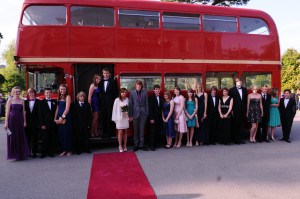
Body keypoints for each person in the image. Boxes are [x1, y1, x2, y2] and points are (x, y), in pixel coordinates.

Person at [4, 86, 30, 160]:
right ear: (13, 92)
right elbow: (7, 112)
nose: (17, 93)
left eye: (18, 91)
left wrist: (24, 121)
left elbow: (23, 112)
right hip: (11, 121)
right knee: (13, 137)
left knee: (20, 136)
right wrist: (6, 123)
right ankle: (14, 154)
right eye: (15, 91)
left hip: (20, 121)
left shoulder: (22, 100)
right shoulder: (10, 100)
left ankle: (21, 154)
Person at [129, 80, 149, 151]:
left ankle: (142, 145)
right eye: (137, 85)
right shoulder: (132, 93)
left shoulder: (145, 93)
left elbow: (147, 104)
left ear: (141, 86)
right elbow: (130, 104)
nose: (138, 86)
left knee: (142, 130)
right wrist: (130, 115)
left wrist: (147, 113)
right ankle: (136, 145)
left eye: (140, 85)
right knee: (136, 130)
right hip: (135, 114)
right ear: (135, 85)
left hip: (143, 114)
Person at [100, 68, 118, 139]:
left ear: (109, 74)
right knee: (103, 117)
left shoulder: (113, 81)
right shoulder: (101, 82)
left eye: (107, 73)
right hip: (103, 102)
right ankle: (104, 133)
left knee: (109, 117)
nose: (106, 74)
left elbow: (116, 93)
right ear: (103, 74)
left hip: (111, 102)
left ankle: (109, 133)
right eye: (104, 73)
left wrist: (115, 103)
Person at [55, 84, 72, 156]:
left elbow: (67, 108)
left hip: (66, 117)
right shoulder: (58, 97)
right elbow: (57, 108)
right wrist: (55, 118)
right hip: (59, 118)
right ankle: (64, 150)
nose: (62, 91)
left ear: (66, 90)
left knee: (67, 134)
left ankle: (69, 150)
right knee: (61, 134)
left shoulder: (68, 97)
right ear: (59, 90)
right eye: (61, 89)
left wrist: (62, 117)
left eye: (64, 89)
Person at [39, 88, 57, 158]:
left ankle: (51, 152)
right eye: (47, 92)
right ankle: (43, 153)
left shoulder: (54, 101)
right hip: (45, 124)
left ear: (51, 93)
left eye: (50, 92)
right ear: (44, 94)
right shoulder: (41, 102)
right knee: (44, 138)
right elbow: (40, 114)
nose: (48, 94)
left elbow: (56, 112)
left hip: (52, 123)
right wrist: (42, 124)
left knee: (52, 138)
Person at [229, 77, 247, 144]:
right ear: (235, 83)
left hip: (242, 110)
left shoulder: (245, 90)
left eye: (239, 81)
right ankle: (235, 139)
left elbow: (245, 100)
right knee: (235, 125)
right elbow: (231, 101)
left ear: (241, 82)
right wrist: (232, 110)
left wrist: (245, 110)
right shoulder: (231, 90)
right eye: (237, 81)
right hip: (235, 110)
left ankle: (240, 139)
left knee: (241, 125)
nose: (239, 82)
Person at [112, 88, 129, 152]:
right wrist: (116, 117)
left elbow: (128, 108)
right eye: (122, 92)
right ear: (120, 93)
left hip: (125, 117)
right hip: (119, 118)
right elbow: (114, 110)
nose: (124, 93)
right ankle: (120, 145)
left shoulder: (127, 99)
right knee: (120, 132)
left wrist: (127, 114)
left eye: (125, 92)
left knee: (126, 132)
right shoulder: (117, 100)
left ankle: (125, 145)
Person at [24, 88, 40, 158]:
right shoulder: (25, 102)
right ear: (28, 94)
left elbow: (40, 114)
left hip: (35, 123)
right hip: (27, 123)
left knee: (35, 138)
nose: (31, 94)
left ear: (35, 93)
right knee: (27, 138)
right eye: (30, 93)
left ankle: (34, 153)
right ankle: (28, 152)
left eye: (32, 92)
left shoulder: (39, 102)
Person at [148, 85, 163, 151]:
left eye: (158, 89)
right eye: (156, 89)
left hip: (159, 118)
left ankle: (157, 144)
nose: (157, 90)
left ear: (159, 90)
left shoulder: (160, 97)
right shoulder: (151, 97)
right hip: (153, 118)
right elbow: (150, 109)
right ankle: (151, 145)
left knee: (157, 131)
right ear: (153, 90)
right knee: (152, 132)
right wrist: (151, 118)